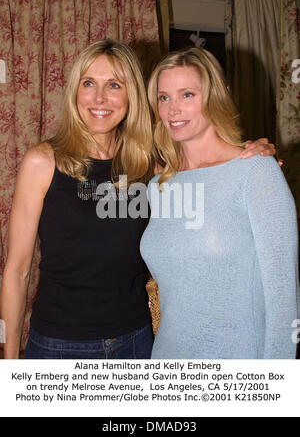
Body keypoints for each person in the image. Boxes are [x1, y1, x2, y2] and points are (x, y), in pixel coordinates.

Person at [0, 39, 277, 359]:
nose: (100, 98)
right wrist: (10, 363)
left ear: (130, 95)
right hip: (59, 345)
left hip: (135, 341)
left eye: (114, 85)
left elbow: (210, 180)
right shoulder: (43, 162)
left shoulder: (149, 167)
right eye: (89, 83)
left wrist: (255, 158)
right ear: (75, 92)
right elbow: (17, 271)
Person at [140, 46, 299, 359]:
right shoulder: (158, 186)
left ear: (213, 96)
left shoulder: (256, 170)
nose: (173, 110)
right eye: (163, 97)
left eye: (187, 94)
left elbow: (284, 300)